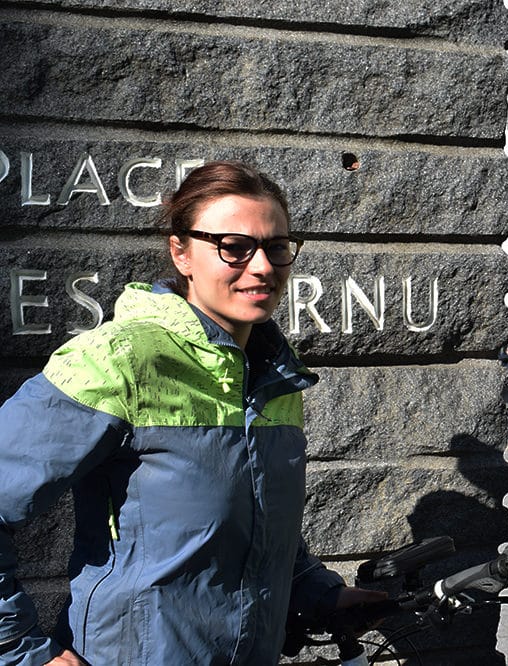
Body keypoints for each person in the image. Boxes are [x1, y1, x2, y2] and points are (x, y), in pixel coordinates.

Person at [0, 161, 385, 665]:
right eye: (234, 247)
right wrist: (20, 650)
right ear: (181, 253)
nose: (263, 266)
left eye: (275, 247)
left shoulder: (275, 378)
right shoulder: (122, 359)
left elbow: (253, 521)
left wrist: (313, 588)